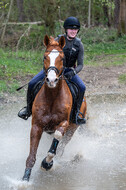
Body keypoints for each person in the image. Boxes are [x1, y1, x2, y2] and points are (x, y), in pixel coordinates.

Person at [18, 16, 86, 124]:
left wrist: (73, 72)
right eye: (70, 29)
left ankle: (77, 114)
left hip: (69, 71)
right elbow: (48, 55)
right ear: (66, 30)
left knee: (82, 87)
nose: (73, 31)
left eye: (75, 29)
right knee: (31, 83)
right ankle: (28, 109)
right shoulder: (58, 40)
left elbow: (80, 64)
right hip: (52, 70)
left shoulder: (79, 44)